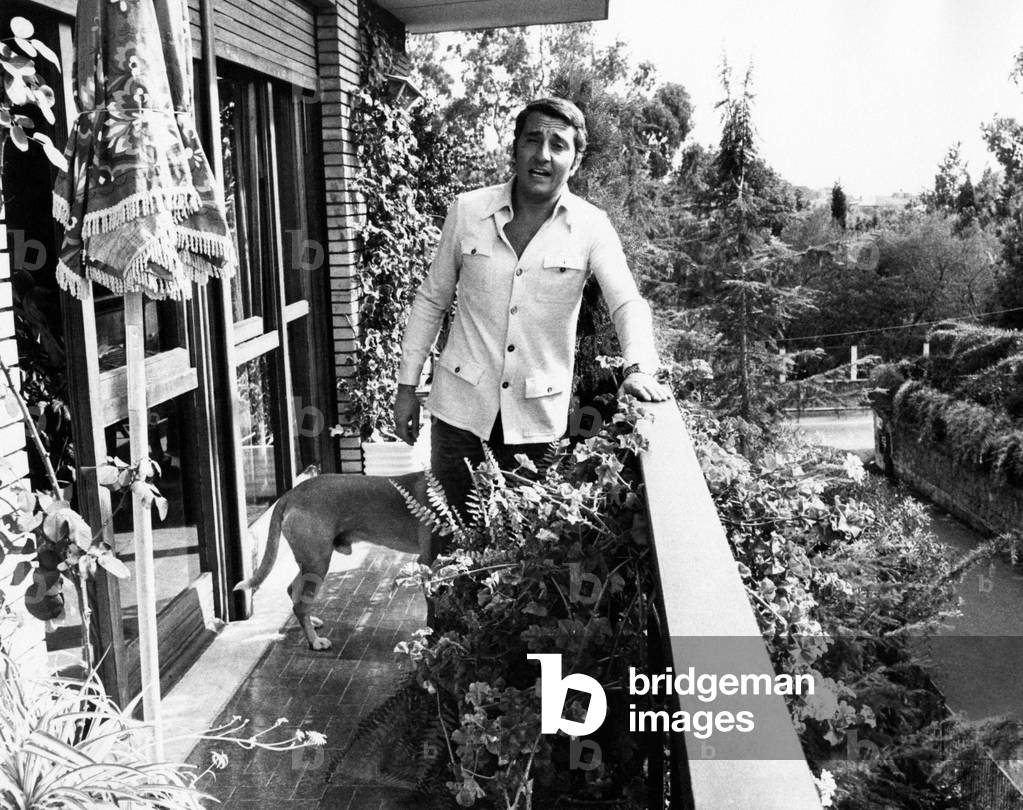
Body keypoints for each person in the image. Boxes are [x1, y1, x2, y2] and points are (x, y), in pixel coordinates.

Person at [393, 97, 669, 527]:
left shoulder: (592, 226)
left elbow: (627, 303)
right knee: (448, 543)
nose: (543, 154)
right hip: (459, 415)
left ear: (575, 162)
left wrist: (640, 368)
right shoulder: (467, 211)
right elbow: (431, 299)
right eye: (532, 140)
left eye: (558, 144)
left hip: (538, 424)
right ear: (515, 149)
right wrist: (406, 386)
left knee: (522, 558)